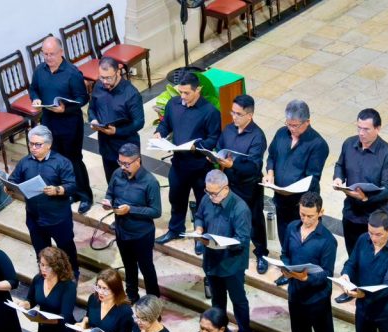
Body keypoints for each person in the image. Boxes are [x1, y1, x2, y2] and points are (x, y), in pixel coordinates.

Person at [154, 70, 221, 244]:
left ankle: (201, 236)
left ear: (197, 90)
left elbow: (214, 138)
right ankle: (175, 229)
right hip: (179, 164)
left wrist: (196, 146)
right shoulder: (173, 104)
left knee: (202, 203)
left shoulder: (210, 111)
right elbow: (165, 124)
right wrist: (159, 133)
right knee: (176, 198)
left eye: (187, 93)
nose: (182, 96)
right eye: (180, 92)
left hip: (200, 167)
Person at [278, 191, 337, 332]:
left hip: (317, 297)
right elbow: (285, 253)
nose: (305, 219)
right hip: (295, 292)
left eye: (310, 216)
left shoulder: (327, 240)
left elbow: (326, 273)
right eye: (302, 214)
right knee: (299, 331)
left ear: (321, 213)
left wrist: (307, 277)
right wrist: (286, 268)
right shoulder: (292, 228)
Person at [28, 35, 92, 212]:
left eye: (52, 54)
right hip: (49, 122)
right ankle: (68, 192)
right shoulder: (40, 70)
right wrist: (36, 98)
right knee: (57, 161)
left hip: (70, 124)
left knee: (74, 160)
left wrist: (65, 109)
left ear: (61, 52)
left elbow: (83, 98)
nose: (48, 58)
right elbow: (33, 88)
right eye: (45, 54)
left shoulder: (72, 73)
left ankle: (85, 195)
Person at [8, 125, 80, 276]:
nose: (33, 148)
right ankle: (46, 274)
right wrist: (8, 187)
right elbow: (13, 179)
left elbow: (72, 186)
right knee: (40, 251)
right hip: (35, 217)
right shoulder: (25, 162)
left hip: (58, 218)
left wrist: (57, 190)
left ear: (49, 145)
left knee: (66, 248)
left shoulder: (62, 162)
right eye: (31, 144)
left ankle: (72, 273)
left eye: (37, 145)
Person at [194, 169, 253, 332]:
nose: (210, 197)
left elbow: (242, 240)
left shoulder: (240, 208)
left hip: (231, 263)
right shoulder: (207, 199)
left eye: (214, 193)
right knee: (217, 302)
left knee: (238, 301)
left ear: (225, 188)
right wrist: (198, 229)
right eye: (208, 192)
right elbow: (199, 216)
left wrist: (222, 244)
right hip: (212, 261)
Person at [333, 108, 388, 257]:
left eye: (366, 129)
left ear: (378, 128)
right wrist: (338, 177)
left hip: (375, 216)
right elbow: (340, 165)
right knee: (353, 254)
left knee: (371, 257)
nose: (361, 133)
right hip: (351, 212)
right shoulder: (349, 144)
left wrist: (365, 198)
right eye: (359, 128)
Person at [264, 99, 330, 246]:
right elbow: (272, 156)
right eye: (288, 124)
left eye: (295, 125)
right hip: (281, 199)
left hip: (301, 205)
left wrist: (291, 191)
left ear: (307, 122)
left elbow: (312, 178)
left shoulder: (318, 144)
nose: (291, 128)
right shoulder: (282, 133)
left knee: (301, 241)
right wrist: (270, 173)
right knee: (284, 237)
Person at [217, 93, 268, 272]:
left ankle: (261, 253)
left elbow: (254, 167)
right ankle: (232, 248)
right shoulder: (229, 130)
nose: (234, 117)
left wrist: (233, 164)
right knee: (229, 217)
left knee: (254, 220)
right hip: (230, 183)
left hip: (249, 185)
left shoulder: (257, 137)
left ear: (249, 115)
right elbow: (220, 146)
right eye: (233, 112)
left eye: (238, 114)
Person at [104, 142, 161, 301]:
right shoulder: (116, 174)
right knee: (129, 267)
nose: (123, 166)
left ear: (138, 161)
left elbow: (156, 211)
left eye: (126, 164)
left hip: (141, 234)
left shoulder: (150, 182)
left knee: (146, 269)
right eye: (120, 162)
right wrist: (107, 201)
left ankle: (153, 302)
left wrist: (130, 209)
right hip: (122, 232)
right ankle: (132, 297)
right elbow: (110, 193)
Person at [89, 57, 145, 183]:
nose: (104, 81)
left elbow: (139, 122)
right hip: (105, 144)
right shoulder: (98, 86)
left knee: (132, 184)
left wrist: (116, 131)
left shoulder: (131, 94)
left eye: (108, 77)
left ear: (118, 72)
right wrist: (93, 120)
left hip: (126, 146)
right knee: (112, 181)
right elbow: (92, 108)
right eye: (101, 77)